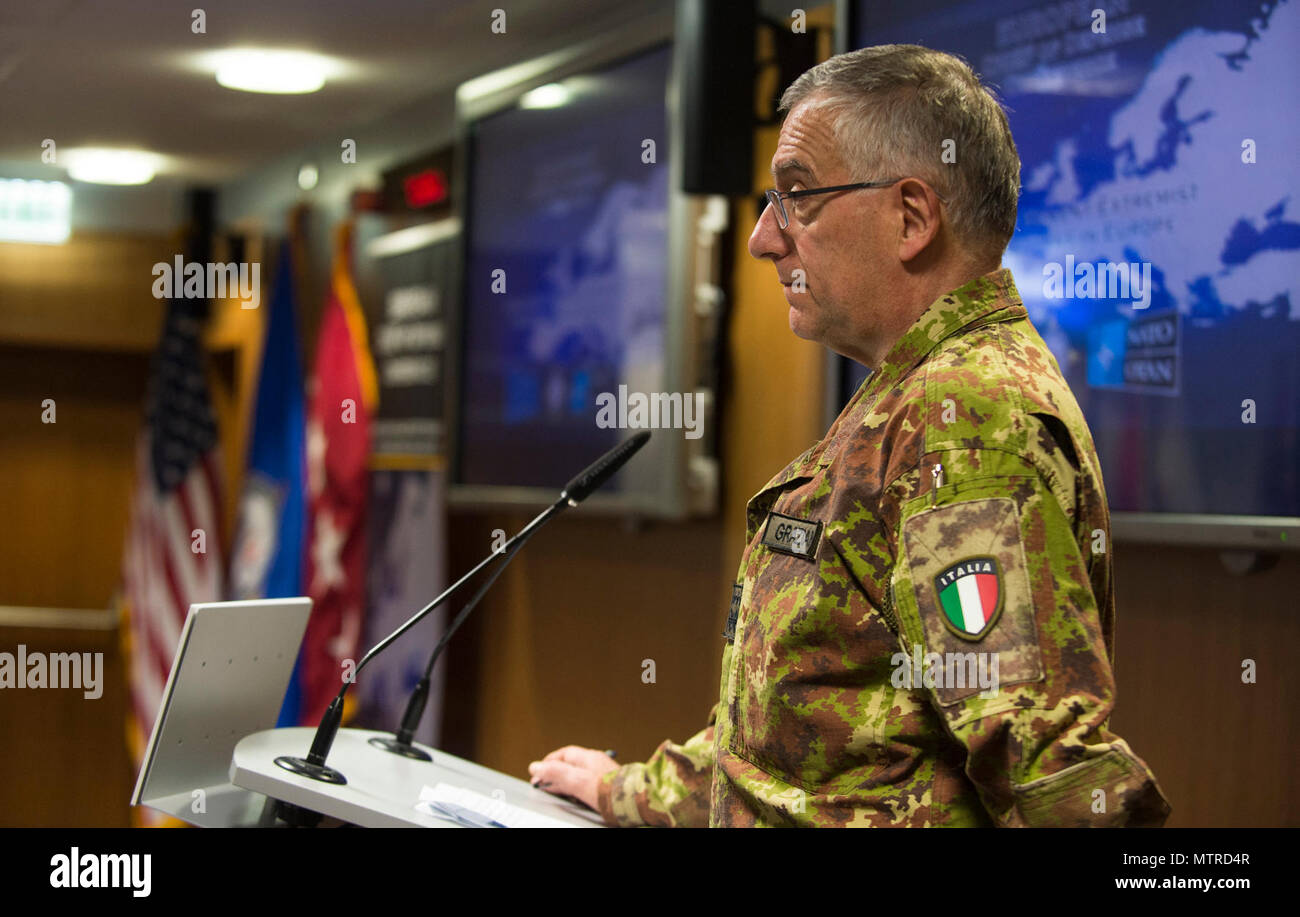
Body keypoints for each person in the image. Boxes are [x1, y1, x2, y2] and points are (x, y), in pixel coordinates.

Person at [528, 44, 1171, 827]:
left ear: (911, 217)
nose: (766, 237)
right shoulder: (910, 397)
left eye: (797, 196)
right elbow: (817, 747)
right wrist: (624, 789)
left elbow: (1047, 775)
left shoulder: (964, 416)